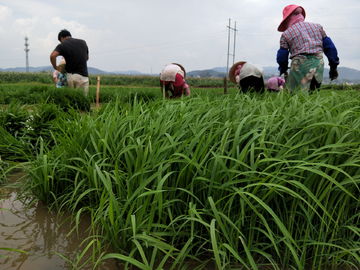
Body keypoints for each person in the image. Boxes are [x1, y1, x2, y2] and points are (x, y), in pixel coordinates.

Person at [276, 4, 339, 94]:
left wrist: (283, 68)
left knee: (296, 94)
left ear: (287, 19)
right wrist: (333, 66)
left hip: (299, 66)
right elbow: (330, 47)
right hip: (318, 64)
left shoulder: (286, 34)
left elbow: (282, 56)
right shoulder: (318, 27)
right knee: (313, 92)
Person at [50, 29, 89, 95]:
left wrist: (55, 67)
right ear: (69, 35)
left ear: (61, 38)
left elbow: (52, 56)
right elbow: (87, 58)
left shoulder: (63, 45)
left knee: (72, 97)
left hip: (70, 76)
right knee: (82, 98)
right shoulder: (83, 42)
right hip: (82, 75)